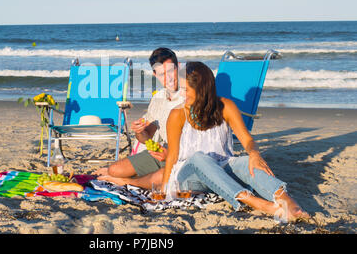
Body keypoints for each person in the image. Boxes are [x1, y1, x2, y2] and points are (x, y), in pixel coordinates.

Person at [161, 61, 310, 222]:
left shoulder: (226, 106)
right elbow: (173, 155)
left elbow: (247, 139)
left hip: (222, 169)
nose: (182, 94)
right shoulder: (177, 114)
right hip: (189, 177)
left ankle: (288, 202)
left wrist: (254, 153)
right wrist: (164, 190)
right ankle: (256, 203)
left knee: (247, 161)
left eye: (186, 89)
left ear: (202, 88)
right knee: (199, 158)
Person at [94, 48, 184, 189]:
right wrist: (139, 131)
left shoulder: (190, 94)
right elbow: (146, 138)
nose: (168, 78)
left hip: (181, 155)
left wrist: (170, 155)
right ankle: (140, 177)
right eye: (162, 74)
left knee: (161, 177)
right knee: (114, 170)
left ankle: (128, 181)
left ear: (179, 66)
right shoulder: (158, 98)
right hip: (161, 153)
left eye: (171, 71)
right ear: (155, 74)